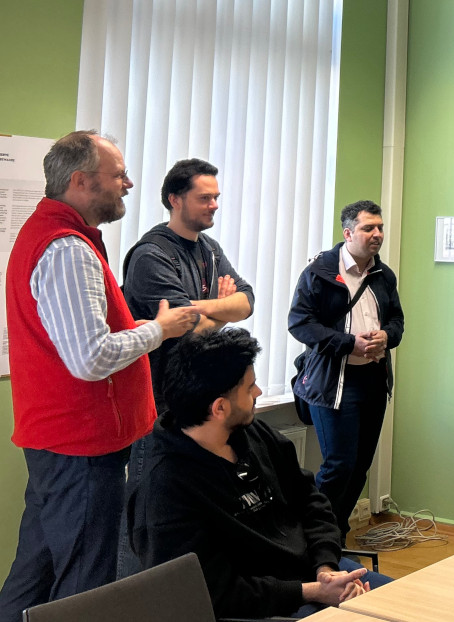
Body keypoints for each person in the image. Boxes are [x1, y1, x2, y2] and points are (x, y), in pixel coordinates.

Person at [0, 130, 199, 621]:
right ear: (81, 181)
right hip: (81, 447)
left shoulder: (54, 235)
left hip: (59, 442)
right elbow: (90, 358)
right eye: (119, 176)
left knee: (36, 573)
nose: (129, 184)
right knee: (85, 587)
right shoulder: (67, 249)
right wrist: (159, 328)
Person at [127, 329, 392, 618]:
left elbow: (312, 502)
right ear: (220, 407)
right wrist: (313, 591)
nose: (258, 393)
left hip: (311, 575)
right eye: (250, 387)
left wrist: (326, 568)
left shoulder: (253, 433)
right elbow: (211, 593)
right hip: (257, 607)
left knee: (405, 602)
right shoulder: (166, 488)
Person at [118, 157, 255, 577]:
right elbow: (191, 328)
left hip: (196, 405)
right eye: (204, 197)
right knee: (145, 514)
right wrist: (217, 309)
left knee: (191, 511)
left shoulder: (209, 249)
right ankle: (132, 599)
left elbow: (246, 302)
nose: (214, 205)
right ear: (175, 199)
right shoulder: (150, 255)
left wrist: (206, 308)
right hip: (157, 407)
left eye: (216, 197)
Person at [289, 200, 404, 542]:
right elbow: (300, 323)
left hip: (373, 380)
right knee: (338, 467)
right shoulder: (320, 272)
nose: (377, 234)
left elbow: (397, 320)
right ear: (348, 232)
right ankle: (311, 541)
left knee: (359, 469)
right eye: (369, 228)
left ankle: (333, 538)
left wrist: (387, 337)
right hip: (333, 384)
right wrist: (347, 343)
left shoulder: (383, 275)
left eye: (380, 227)